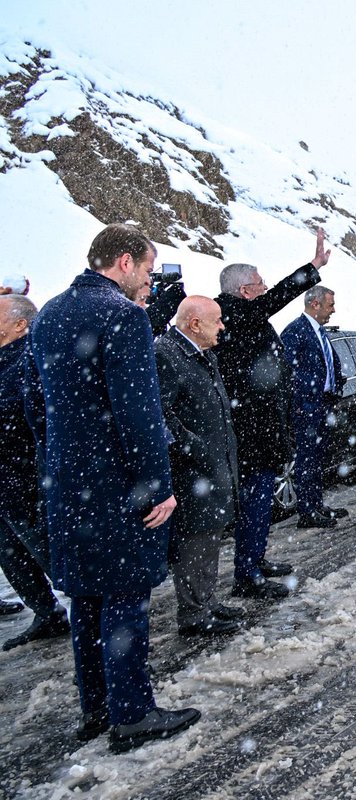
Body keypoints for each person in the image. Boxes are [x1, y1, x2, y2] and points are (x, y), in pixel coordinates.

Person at [26, 223, 200, 752]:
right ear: (125, 262)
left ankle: (96, 708)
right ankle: (132, 713)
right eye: (148, 270)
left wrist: (58, 467)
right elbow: (139, 413)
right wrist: (157, 486)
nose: (150, 281)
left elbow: (37, 408)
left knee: (86, 600)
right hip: (118, 485)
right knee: (125, 597)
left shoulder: (52, 312)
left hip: (67, 483)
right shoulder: (123, 317)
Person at [213, 230, 330, 600]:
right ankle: (247, 574)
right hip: (250, 429)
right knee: (254, 501)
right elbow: (279, 297)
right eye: (260, 283)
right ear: (245, 290)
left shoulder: (244, 314)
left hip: (259, 425)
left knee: (260, 502)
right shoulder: (235, 313)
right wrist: (311, 268)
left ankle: (255, 559)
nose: (265, 288)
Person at [154, 296, 244, 638]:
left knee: (209, 537)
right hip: (191, 472)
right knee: (195, 539)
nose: (222, 327)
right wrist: (196, 446)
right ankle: (193, 614)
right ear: (194, 324)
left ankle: (205, 601)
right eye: (217, 321)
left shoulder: (202, 354)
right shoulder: (167, 355)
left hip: (212, 465)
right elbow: (161, 415)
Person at [0, 294, 71, 651]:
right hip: (6, 485)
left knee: (52, 555)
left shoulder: (32, 359)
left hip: (27, 480)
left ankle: (102, 630)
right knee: (12, 557)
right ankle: (46, 612)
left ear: (20, 324)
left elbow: (35, 417)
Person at [281, 285, 349, 529]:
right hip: (306, 408)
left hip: (324, 405)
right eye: (330, 304)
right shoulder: (295, 331)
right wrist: (305, 399)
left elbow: (329, 364)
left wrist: (335, 386)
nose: (334, 309)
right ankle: (307, 511)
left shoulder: (320, 332)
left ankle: (318, 504)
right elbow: (287, 371)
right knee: (306, 460)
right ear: (315, 304)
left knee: (318, 458)